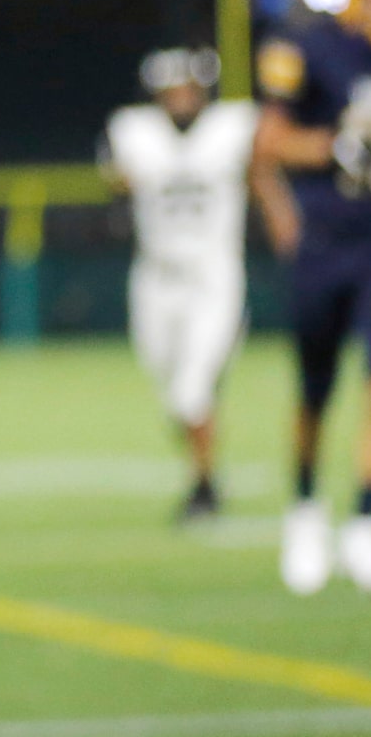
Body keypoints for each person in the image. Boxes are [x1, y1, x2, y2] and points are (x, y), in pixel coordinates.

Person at [253, 0, 371, 595]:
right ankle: (308, 508)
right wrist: (332, 150)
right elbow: (268, 144)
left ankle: (367, 520)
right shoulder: (313, 50)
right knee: (315, 390)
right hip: (327, 240)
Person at [100, 47, 258, 522]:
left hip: (213, 274)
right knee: (173, 387)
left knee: (192, 389)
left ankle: (204, 489)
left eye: (189, 87)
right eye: (172, 89)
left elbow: (264, 168)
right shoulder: (133, 131)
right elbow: (116, 179)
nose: (181, 97)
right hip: (155, 277)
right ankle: (203, 467)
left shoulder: (235, 126)